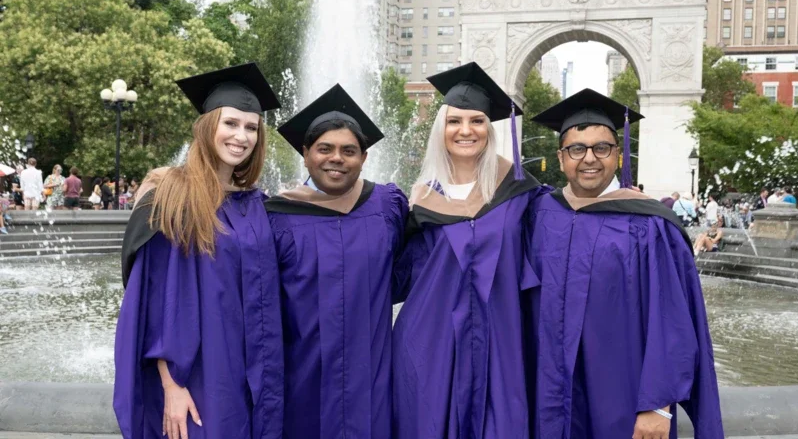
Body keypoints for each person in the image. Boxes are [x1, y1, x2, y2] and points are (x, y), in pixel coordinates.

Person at [526, 89, 723, 439]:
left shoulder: (649, 224)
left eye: (602, 148)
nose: (589, 158)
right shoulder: (541, 215)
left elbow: (671, 318)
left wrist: (659, 404)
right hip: (551, 391)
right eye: (577, 149)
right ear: (560, 159)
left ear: (618, 155)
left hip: (625, 393)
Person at [114, 63, 284, 439]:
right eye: (231, 123)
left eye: (251, 127)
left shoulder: (258, 205)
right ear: (208, 126)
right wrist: (171, 385)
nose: (242, 136)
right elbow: (154, 298)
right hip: (200, 374)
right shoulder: (172, 197)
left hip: (253, 369)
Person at [392, 63, 542, 438]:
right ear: (441, 129)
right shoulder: (422, 199)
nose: (465, 130)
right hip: (430, 342)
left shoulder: (520, 191)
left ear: (489, 130)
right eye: (454, 121)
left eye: (477, 121)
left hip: (501, 341)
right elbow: (399, 275)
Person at [264, 84, 408, 438]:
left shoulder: (387, 205)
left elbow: (410, 269)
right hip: (303, 369)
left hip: (371, 371)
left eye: (349, 150)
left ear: (364, 158)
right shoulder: (276, 215)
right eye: (324, 148)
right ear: (305, 153)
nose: (336, 158)